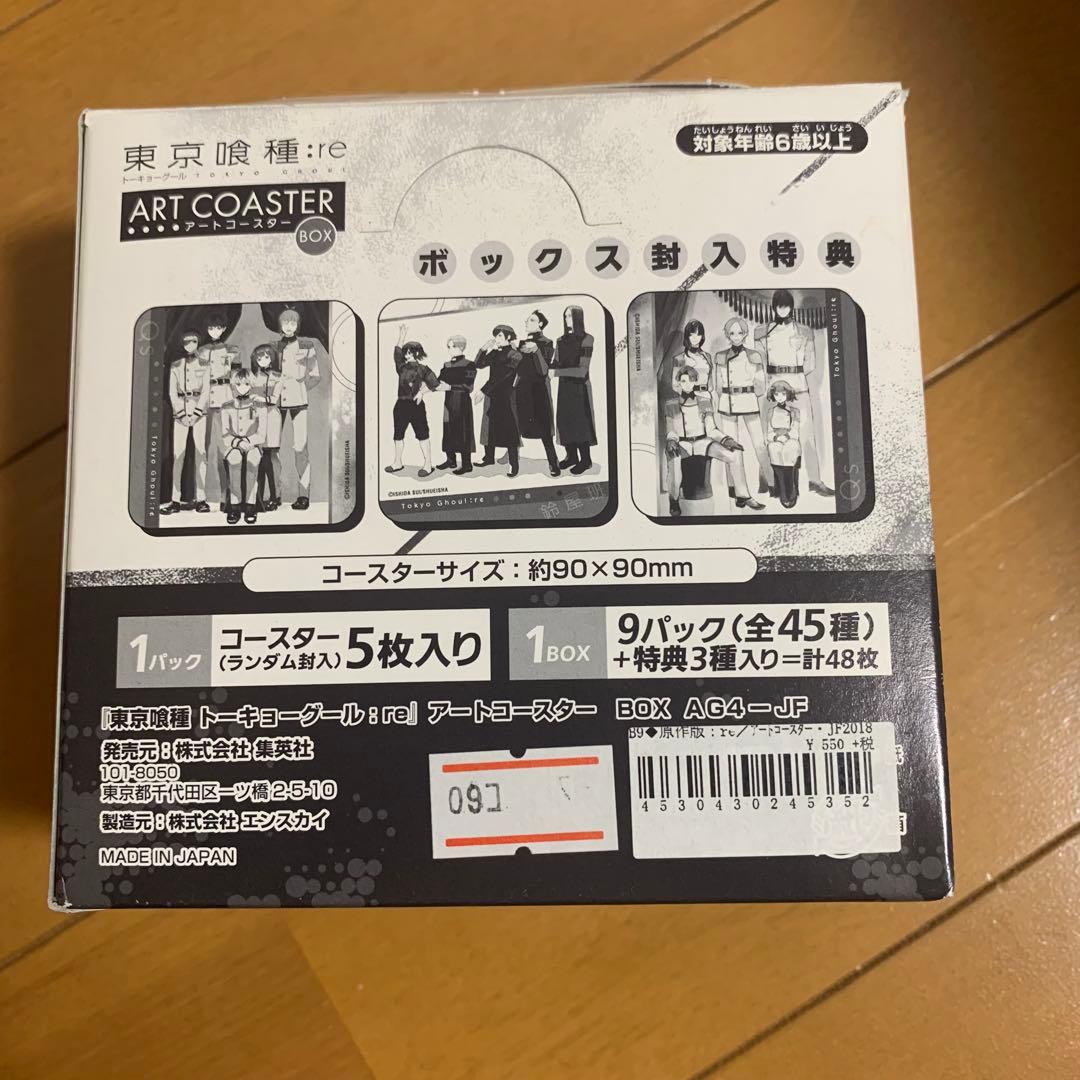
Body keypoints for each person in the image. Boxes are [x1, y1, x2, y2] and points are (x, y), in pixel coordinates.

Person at [754, 289, 834, 497]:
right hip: (773, 389)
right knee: (769, 434)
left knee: (807, 435)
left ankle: (815, 481)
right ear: (774, 307)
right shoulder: (762, 332)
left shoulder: (805, 331)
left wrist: (791, 373)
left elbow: (810, 364)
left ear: (791, 307)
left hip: (798, 388)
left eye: (786, 305)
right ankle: (767, 480)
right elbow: (760, 363)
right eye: (779, 305)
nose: (783, 309)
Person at [664, 366, 741, 517]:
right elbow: (670, 429)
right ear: (679, 382)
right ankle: (673, 500)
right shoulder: (671, 404)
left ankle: (739, 493)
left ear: (695, 382)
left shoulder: (704, 401)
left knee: (732, 456)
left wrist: (726, 439)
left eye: (690, 380)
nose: (687, 384)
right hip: (682, 443)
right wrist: (671, 440)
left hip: (702, 442)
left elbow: (711, 429)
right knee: (674, 465)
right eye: (683, 381)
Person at [713, 316, 769, 509]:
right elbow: (717, 385)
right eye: (732, 333)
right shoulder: (720, 356)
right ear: (727, 335)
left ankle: (773, 483)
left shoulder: (754, 355)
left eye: (740, 332)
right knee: (733, 448)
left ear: (745, 334)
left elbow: (760, 386)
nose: (736, 336)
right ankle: (741, 493)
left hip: (748, 401)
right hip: (727, 404)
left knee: (759, 444)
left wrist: (746, 393)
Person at [273, 308, 321, 509]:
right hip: (276, 402)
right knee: (272, 448)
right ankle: (274, 495)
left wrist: (299, 387)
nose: (289, 327)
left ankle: (303, 495)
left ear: (297, 325)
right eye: (285, 323)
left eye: (293, 323)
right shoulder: (273, 346)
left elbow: (315, 375)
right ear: (280, 325)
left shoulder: (307, 345)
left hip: (299, 401)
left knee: (300, 448)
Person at [161, 331, 210, 516]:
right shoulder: (175, 365)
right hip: (180, 412)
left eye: (194, 342)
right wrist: (181, 413)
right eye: (187, 342)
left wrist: (196, 413)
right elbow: (172, 392)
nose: (190, 345)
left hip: (199, 412)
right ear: (182, 344)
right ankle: (175, 500)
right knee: (178, 455)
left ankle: (201, 499)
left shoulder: (205, 365)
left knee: (201, 453)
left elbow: (206, 391)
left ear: (198, 343)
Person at [196, 311, 241, 510]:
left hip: (224, 402)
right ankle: (201, 499)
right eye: (211, 328)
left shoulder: (232, 350)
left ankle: (227, 496)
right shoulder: (201, 351)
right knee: (204, 450)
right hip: (205, 403)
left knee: (226, 451)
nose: (214, 331)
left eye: (217, 328)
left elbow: (237, 379)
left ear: (223, 329)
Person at [513, 310, 560, 476]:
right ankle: (512, 459)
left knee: (544, 430)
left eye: (532, 320)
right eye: (527, 320)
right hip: (522, 389)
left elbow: (543, 370)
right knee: (515, 425)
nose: (527, 322)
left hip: (538, 391)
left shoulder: (547, 343)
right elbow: (518, 368)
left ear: (540, 324)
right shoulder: (522, 343)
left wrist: (536, 351)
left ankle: (553, 463)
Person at [551, 305, 597, 474]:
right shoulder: (560, 340)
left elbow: (582, 370)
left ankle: (586, 460)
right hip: (564, 388)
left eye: (570, 316)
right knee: (565, 422)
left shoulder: (587, 339)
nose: (566, 319)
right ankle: (571, 457)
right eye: (565, 316)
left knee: (580, 424)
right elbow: (555, 362)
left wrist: (556, 372)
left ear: (578, 317)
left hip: (580, 389)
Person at [473, 325, 523, 477]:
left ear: (509, 337)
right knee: (489, 426)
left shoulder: (515, 354)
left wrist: (483, 390)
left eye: (500, 336)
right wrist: (483, 349)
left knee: (510, 430)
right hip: (492, 394)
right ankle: (488, 458)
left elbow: (504, 375)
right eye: (496, 336)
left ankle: (514, 464)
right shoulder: (495, 352)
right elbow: (478, 365)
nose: (496, 339)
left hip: (506, 395)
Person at [220, 367, 266, 525]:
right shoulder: (226, 406)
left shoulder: (260, 405)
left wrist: (248, 442)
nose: (242, 387)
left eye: (246, 384)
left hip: (253, 445)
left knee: (253, 460)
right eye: (238, 384)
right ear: (233, 385)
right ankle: (235, 505)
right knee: (234, 460)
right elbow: (225, 434)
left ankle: (250, 505)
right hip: (233, 446)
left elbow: (262, 434)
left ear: (251, 384)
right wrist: (238, 443)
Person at [434, 335, 476, 475]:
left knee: (463, 432)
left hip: (462, 403)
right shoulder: (446, 365)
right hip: (448, 403)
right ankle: (450, 460)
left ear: (461, 347)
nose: (450, 349)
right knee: (448, 430)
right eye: (448, 346)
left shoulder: (469, 364)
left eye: (453, 346)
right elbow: (438, 382)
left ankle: (467, 464)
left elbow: (469, 387)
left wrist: (450, 387)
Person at [249, 343, 283, 511]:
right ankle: (259, 497)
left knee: (270, 456)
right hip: (256, 416)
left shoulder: (278, 376)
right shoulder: (251, 376)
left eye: (266, 357)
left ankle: (275, 497)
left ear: (272, 358)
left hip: (271, 416)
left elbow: (274, 399)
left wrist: (259, 398)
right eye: (259, 357)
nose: (262, 360)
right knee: (259, 457)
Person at [765, 380, 802, 508]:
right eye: (776, 394)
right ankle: (782, 491)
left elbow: (795, 430)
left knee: (790, 448)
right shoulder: (771, 411)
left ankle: (791, 490)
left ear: (788, 394)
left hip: (790, 439)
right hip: (776, 440)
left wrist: (786, 436)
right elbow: (769, 432)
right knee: (774, 448)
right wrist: (776, 437)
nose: (779, 397)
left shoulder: (794, 411)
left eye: (783, 394)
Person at [669, 319, 711, 402]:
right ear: (687, 336)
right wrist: (687, 396)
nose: (695, 338)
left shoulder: (707, 356)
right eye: (692, 335)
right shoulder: (680, 358)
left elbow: (711, 385)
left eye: (698, 334)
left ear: (702, 336)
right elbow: (675, 385)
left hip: (705, 397)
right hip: (688, 398)